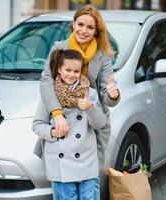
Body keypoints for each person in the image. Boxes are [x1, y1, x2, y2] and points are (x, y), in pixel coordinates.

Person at [40, 4, 120, 168]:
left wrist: (113, 95)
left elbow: (107, 97)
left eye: (90, 27)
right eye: (80, 24)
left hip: (90, 122)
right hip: (63, 119)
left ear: (96, 31)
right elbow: (47, 79)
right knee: (62, 173)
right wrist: (56, 114)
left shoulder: (103, 57)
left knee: (90, 177)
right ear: (73, 24)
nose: (84, 30)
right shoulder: (59, 48)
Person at [32, 49, 106, 200]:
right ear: (59, 69)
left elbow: (100, 124)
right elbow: (37, 125)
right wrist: (53, 132)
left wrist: (90, 108)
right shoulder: (50, 94)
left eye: (76, 71)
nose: (72, 74)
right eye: (68, 70)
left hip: (86, 159)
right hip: (61, 164)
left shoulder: (90, 93)